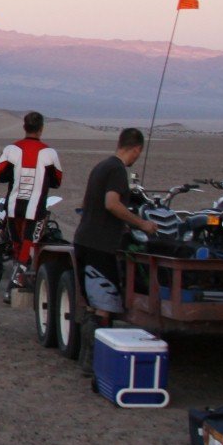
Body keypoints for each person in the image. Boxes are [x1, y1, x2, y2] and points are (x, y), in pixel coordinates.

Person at [73, 127, 159, 315]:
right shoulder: (117, 170)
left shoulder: (101, 166)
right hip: (100, 247)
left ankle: (91, 333)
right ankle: (100, 332)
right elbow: (111, 204)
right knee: (105, 305)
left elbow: (86, 204)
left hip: (83, 241)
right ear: (136, 149)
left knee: (92, 304)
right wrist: (142, 224)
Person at [0, 111, 64, 302]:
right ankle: (14, 286)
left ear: (24, 127)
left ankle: (17, 284)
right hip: (35, 208)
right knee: (27, 245)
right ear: (41, 129)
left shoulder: (12, 149)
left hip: (14, 206)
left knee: (18, 246)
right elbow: (57, 180)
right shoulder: (49, 153)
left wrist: (13, 175)